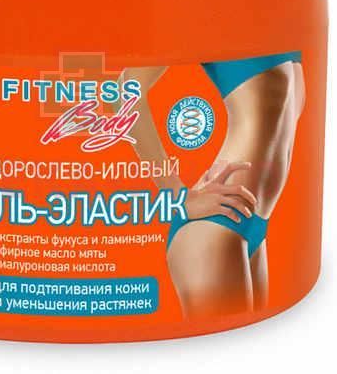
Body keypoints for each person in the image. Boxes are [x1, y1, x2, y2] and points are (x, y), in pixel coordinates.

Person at [121, 52, 305, 318]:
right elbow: (126, 92)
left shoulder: (287, 33)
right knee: (223, 343)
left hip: (253, 222)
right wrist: (178, 197)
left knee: (258, 338)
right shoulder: (211, 25)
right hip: (215, 223)